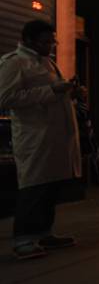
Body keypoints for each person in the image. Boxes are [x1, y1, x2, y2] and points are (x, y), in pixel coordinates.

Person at [0, 20, 81, 260]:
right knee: (34, 186)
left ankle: (44, 232)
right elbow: (5, 98)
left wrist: (69, 92)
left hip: (54, 135)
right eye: (45, 41)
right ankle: (23, 238)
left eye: (51, 41)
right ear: (28, 40)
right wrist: (53, 91)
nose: (50, 45)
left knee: (50, 185)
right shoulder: (15, 63)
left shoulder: (47, 62)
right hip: (34, 135)